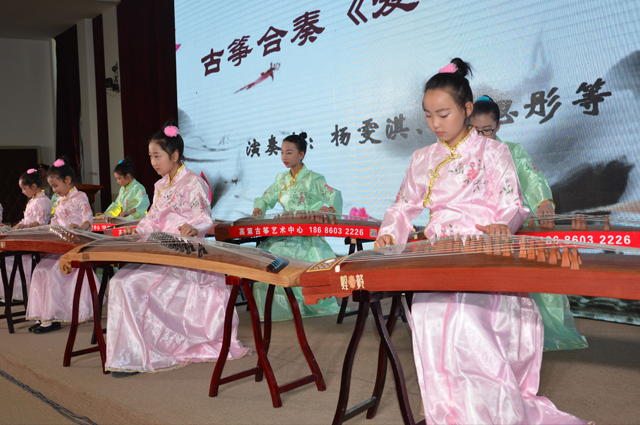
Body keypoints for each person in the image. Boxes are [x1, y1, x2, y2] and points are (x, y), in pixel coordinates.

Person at [374, 59, 587, 424]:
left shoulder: (494, 152)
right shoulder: (422, 158)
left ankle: (494, 413)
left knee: (468, 322)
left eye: (443, 114)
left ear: (467, 109)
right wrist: (390, 234)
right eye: (428, 116)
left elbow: (512, 203)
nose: (435, 124)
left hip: (484, 252)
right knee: (428, 318)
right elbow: (403, 206)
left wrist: (504, 224)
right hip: (441, 256)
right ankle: (450, 410)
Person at [105, 120, 248, 374]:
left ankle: (141, 352)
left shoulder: (193, 182)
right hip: (161, 251)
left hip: (185, 257)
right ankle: (130, 353)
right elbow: (151, 219)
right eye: (150, 156)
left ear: (174, 155)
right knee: (118, 282)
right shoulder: (160, 186)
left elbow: (204, 217)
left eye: (157, 156)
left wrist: (194, 227)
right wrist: (137, 230)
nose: (153, 162)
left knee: (130, 285)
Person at [470, 95, 588, 352]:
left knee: (518, 279)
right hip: (477, 225)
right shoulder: (464, 155)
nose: (481, 136)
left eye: (487, 130)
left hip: (507, 222)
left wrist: (543, 200)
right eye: (475, 130)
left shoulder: (511, 150)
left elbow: (531, 176)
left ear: (498, 126)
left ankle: (520, 332)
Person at [252, 132, 343, 321]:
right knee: (270, 260)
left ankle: (303, 306)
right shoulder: (281, 179)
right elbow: (265, 198)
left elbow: (334, 195)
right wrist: (260, 208)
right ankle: (276, 309)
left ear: (301, 155)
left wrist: (329, 208)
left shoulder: (313, 179)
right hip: (285, 233)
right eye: (282, 152)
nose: (284, 157)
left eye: (289, 152)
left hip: (307, 236)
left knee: (303, 262)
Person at [26, 158, 96, 334]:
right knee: (40, 270)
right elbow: (55, 221)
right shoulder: (58, 199)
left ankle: (52, 318)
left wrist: (80, 228)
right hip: (60, 244)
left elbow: (88, 217)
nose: (54, 190)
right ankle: (43, 314)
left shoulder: (80, 196)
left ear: (67, 180)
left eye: (56, 185)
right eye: (52, 187)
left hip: (75, 244)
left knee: (53, 273)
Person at [0, 169, 53, 302]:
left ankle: (22, 292)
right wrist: (13, 228)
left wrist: (25, 227)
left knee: (12, 259)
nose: (23, 192)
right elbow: (25, 220)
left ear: (33, 186)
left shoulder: (44, 200)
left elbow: (40, 223)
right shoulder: (32, 200)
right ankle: (11, 291)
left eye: (24, 189)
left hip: (35, 237)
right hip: (26, 234)